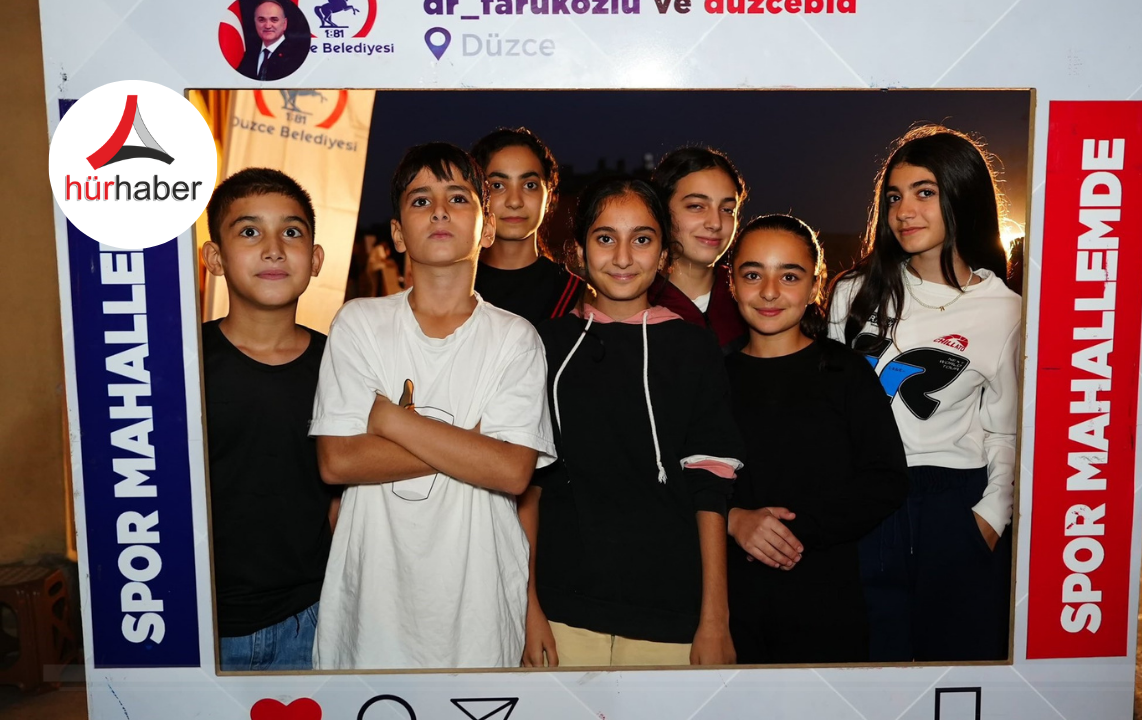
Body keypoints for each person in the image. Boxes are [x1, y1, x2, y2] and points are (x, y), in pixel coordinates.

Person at [309, 143, 556, 670]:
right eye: (421, 200)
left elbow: (512, 472)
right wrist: (474, 442)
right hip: (370, 614)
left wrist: (390, 420)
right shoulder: (358, 324)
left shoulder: (516, 339)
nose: (440, 211)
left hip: (479, 615)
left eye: (458, 198)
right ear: (398, 233)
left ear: (487, 228)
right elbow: (338, 460)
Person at [525, 176, 743, 668]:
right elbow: (529, 488)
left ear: (664, 253)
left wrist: (714, 619)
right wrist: (528, 607)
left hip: (669, 615)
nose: (623, 257)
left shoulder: (694, 348)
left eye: (642, 239)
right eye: (605, 238)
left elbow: (710, 489)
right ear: (578, 251)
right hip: (562, 615)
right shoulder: (543, 345)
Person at [828, 125, 1020, 662]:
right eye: (894, 197)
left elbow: (1005, 430)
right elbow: (828, 410)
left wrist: (989, 518)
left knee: (953, 673)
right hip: (864, 503)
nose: (904, 211)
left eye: (924, 192)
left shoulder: (1006, 310)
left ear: (962, 194)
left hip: (951, 503)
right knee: (867, 668)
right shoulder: (853, 292)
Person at [723, 214, 908, 664]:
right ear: (731, 283)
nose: (770, 292)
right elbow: (680, 480)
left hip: (827, 604)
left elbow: (886, 480)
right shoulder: (710, 375)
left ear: (815, 285)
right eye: (753, 274)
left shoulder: (846, 372)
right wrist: (732, 519)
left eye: (789, 276)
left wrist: (793, 529)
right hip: (731, 606)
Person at [200, 167, 338, 671]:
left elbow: (345, 498)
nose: (274, 249)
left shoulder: (343, 365)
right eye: (249, 231)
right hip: (199, 622)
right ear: (215, 258)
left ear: (315, 259)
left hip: (311, 617)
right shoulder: (181, 364)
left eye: (292, 232)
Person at [469, 128, 584, 325]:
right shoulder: (456, 286)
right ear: (478, 195)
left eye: (529, 185)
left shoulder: (575, 294)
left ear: (549, 197)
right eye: (497, 185)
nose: (515, 201)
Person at [648, 146, 748, 353]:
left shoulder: (750, 295)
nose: (715, 223)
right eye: (696, 206)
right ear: (661, 210)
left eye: (727, 210)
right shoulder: (637, 299)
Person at [236, 0, 308, 81]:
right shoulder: (249, 54)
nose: (267, 26)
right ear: (255, 22)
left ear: (284, 24)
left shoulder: (297, 56)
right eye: (261, 20)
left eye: (274, 20)